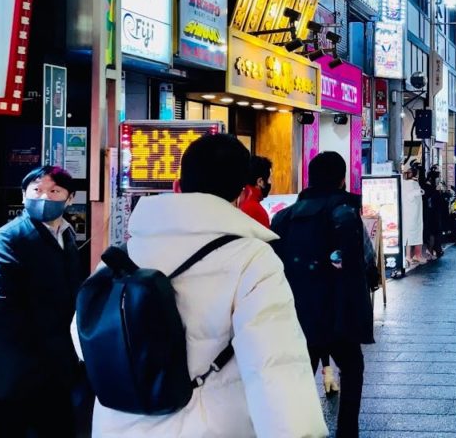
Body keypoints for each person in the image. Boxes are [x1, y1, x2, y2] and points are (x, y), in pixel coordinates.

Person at [76, 134, 327, 437]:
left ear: (177, 187)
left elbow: (81, 337)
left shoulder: (125, 253)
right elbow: (275, 366)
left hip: (119, 426)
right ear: (244, 194)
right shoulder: (251, 259)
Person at [271, 151, 375, 438]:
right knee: (352, 369)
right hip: (340, 311)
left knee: (302, 376)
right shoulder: (345, 213)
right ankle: (346, 431)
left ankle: (299, 429)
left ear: (310, 178)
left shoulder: (283, 218)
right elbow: (366, 257)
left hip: (298, 313)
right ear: (342, 180)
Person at [0, 166, 85, 437]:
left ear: (70, 198)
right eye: (36, 190)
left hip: (56, 370)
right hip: (16, 370)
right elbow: (0, 305)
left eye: (54, 191)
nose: (44, 197)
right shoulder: (5, 239)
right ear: (23, 196)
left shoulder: (67, 236)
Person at [239, 155, 273, 228]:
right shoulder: (256, 211)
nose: (270, 182)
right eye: (269, 179)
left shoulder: (238, 203)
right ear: (260, 182)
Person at [422, 170, 446, 259]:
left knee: (434, 232)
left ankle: (435, 249)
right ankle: (432, 250)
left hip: (433, 213)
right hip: (431, 213)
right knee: (433, 232)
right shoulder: (429, 187)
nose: (439, 179)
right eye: (438, 177)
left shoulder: (431, 187)